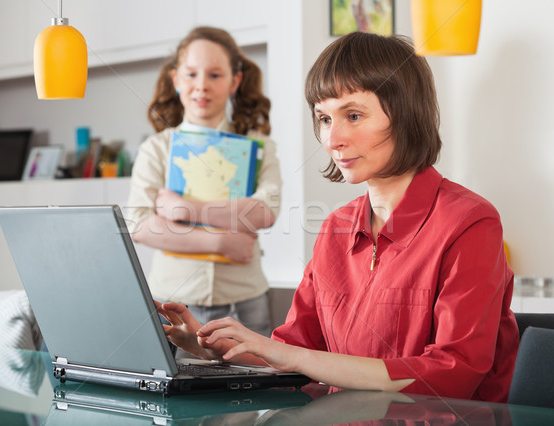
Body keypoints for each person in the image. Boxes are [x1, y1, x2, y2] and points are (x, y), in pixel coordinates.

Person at [155, 31, 519, 402]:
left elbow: (452, 374)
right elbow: (292, 352)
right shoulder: (334, 228)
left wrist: (289, 354)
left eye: (354, 115)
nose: (332, 139)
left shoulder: (470, 222)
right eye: (325, 119)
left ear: (407, 113)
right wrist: (208, 346)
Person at [127, 27, 281, 338]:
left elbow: (265, 211)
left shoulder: (257, 145)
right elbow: (141, 224)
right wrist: (220, 242)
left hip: (246, 302)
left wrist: (184, 208)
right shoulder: (156, 148)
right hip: (171, 301)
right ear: (175, 79)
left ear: (234, 81)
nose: (201, 86)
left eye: (214, 75)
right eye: (191, 74)